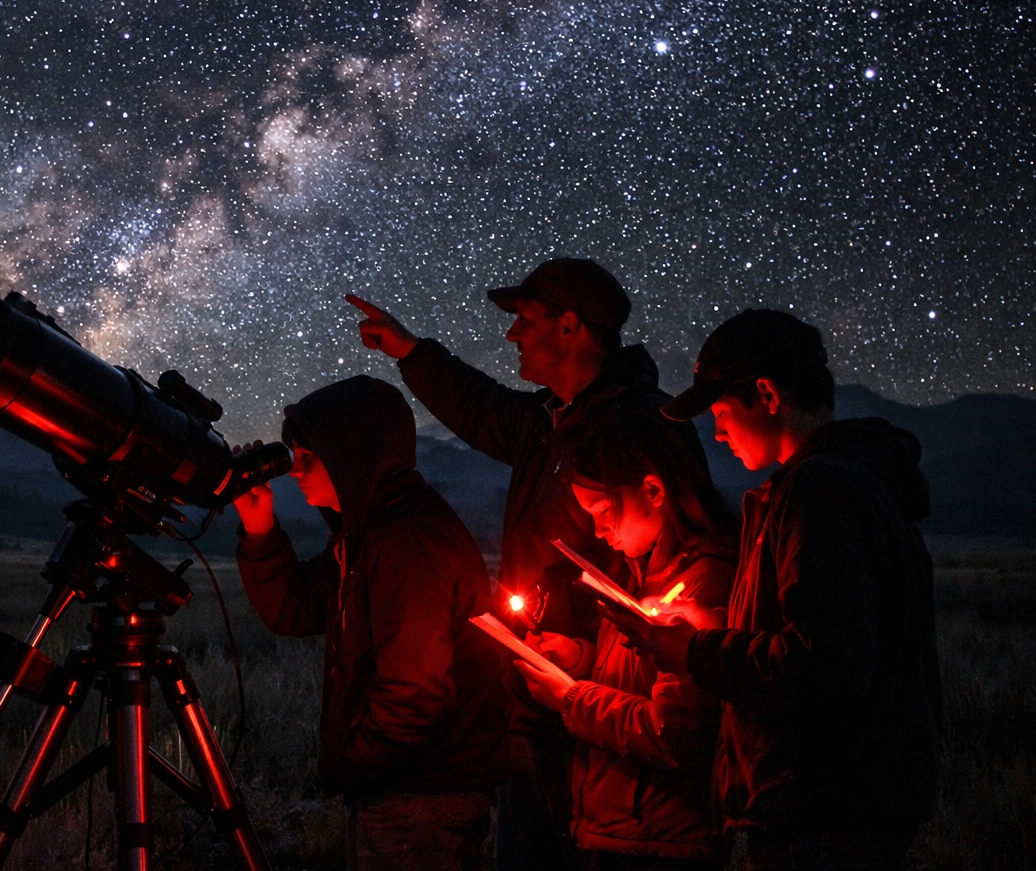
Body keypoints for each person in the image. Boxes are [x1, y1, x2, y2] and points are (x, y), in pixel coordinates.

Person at [348, 257, 708, 870]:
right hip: (542, 697)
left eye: (523, 318)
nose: (511, 334)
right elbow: (482, 407)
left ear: (569, 327)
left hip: (599, 715)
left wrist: (586, 660)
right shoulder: (551, 421)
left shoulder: (637, 425)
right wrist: (410, 351)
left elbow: (672, 569)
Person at [607, 309, 942, 871]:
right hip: (843, 804)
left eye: (720, 411)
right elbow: (829, 637)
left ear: (765, 394)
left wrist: (689, 652)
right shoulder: (846, 482)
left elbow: (825, 663)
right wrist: (717, 627)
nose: (715, 431)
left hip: (823, 809)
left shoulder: (821, 489)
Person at [232, 375, 508, 871]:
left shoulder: (405, 540)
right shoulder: (369, 535)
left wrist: (356, 766)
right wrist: (259, 527)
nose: (295, 470)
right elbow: (295, 609)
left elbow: (413, 691)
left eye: (307, 456)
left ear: (351, 455)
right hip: (408, 788)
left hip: (419, 795)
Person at [513, 412, 737, 871]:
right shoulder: (641, 573)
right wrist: (580, 657)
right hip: (622, 829)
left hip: (663, 841)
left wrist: (571, 699)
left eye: (601, 511)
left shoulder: (702, 585)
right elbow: (642, 676)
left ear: (653, 491)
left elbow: (673, 732)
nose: (597, 531)